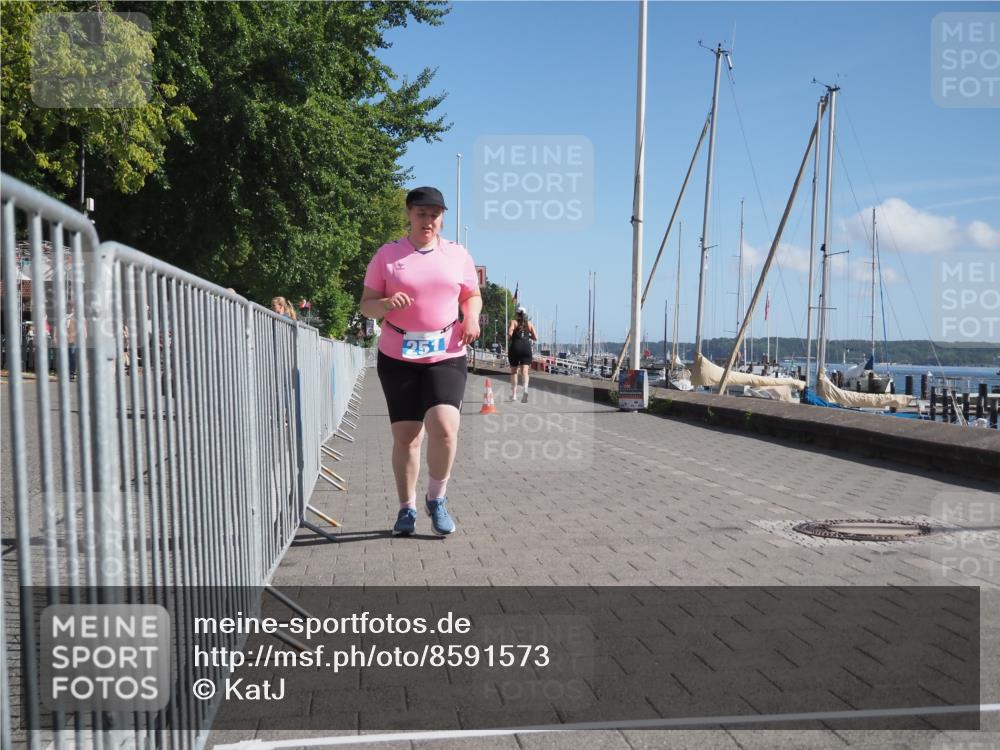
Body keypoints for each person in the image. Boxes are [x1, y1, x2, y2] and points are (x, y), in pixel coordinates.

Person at [359, 186, 481, 537]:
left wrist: (470, 317)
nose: (428, 220)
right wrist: (384, 305)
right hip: (398, 354)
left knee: (445, 426)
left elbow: (471, 295)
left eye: (435, 214)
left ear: (442, 218)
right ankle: (406, 509)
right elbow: (366, 303)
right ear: (409, 215)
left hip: (446, 350)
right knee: (407, 436)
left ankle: (437, 498)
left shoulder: (457, 255)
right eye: (421, 213)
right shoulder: (388, 255)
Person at [507, 306, 536, 402]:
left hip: (516, 346)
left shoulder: (513, 322)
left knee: (514, 372)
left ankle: (514, 395)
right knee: (525, 372)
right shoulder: (529, 324)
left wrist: (510, 336)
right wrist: (528, 336)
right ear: (525, 315)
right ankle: (525, 390)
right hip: (526, 347)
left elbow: (510, 333)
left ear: (517, 314)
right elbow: (536, 337)